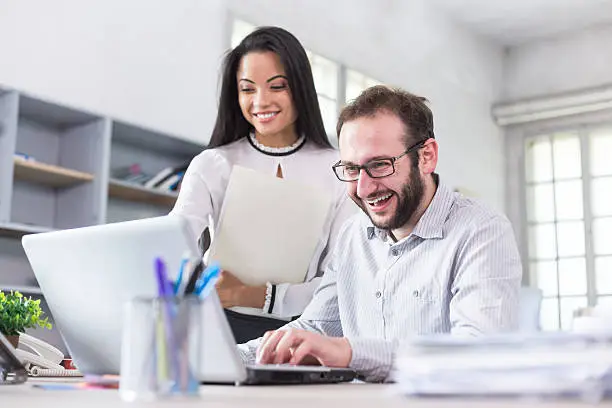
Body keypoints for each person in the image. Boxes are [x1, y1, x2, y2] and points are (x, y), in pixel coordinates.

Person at [238, 85, 522, 382]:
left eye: (379, 165)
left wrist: (350, 353)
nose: (362, 188)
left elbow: (478, 355)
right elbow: (317, 329)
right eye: (351, 169)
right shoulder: (353, 236)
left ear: (426, 157)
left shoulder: (482, 231)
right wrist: (227, 358)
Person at [170, 26, 356, 343]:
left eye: (277, 86)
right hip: (215, 327)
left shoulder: (338, 169)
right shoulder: (212, 164)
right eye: (247, 89)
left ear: (300, 86)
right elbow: (174, 243)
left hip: (304, 331)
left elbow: (340, 281)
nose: (261, 101)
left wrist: (256, 295)